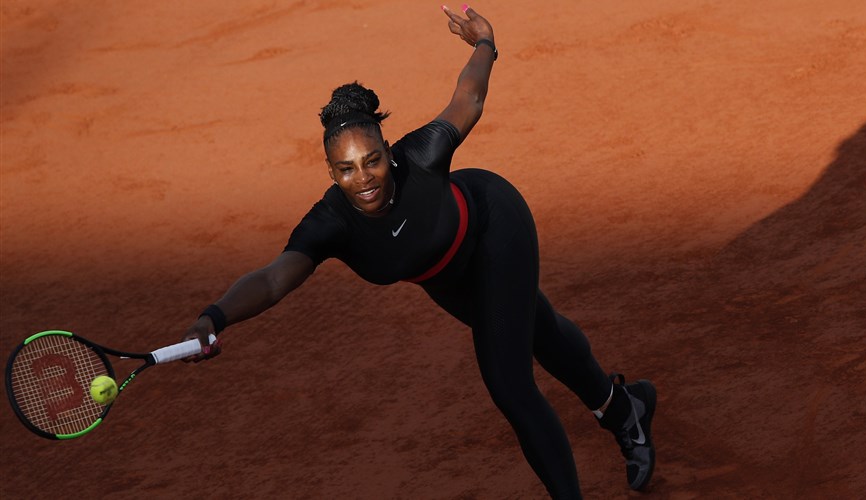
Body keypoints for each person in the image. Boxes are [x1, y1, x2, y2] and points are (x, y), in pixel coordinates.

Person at [182, 5, 656, 498]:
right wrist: (213, 318)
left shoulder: (422, 155)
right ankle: (626, 409)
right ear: (331, 173)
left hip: (495, 226)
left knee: (510, 384)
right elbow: (273, 278)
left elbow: (469, 98)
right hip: (446, 276)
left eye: (372, 160)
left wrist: (485, 43)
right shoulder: (330, 224)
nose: (364, 178)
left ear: (389, 152)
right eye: (346, 169)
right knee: (537, 331)